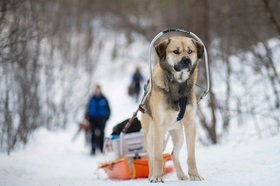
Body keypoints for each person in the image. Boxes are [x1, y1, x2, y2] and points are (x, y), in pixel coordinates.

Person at [85, 85, 111, 155]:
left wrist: (106, 118)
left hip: (102, 119)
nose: (97, 91)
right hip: (93, 118)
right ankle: (93, 148)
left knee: (102, 133)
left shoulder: (104, 99)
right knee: (93, 133)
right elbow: (87, 108)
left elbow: (108, 110)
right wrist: (87, 116)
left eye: (98, 89)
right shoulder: (92, 98)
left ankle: (101, 148)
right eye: (96, 89)